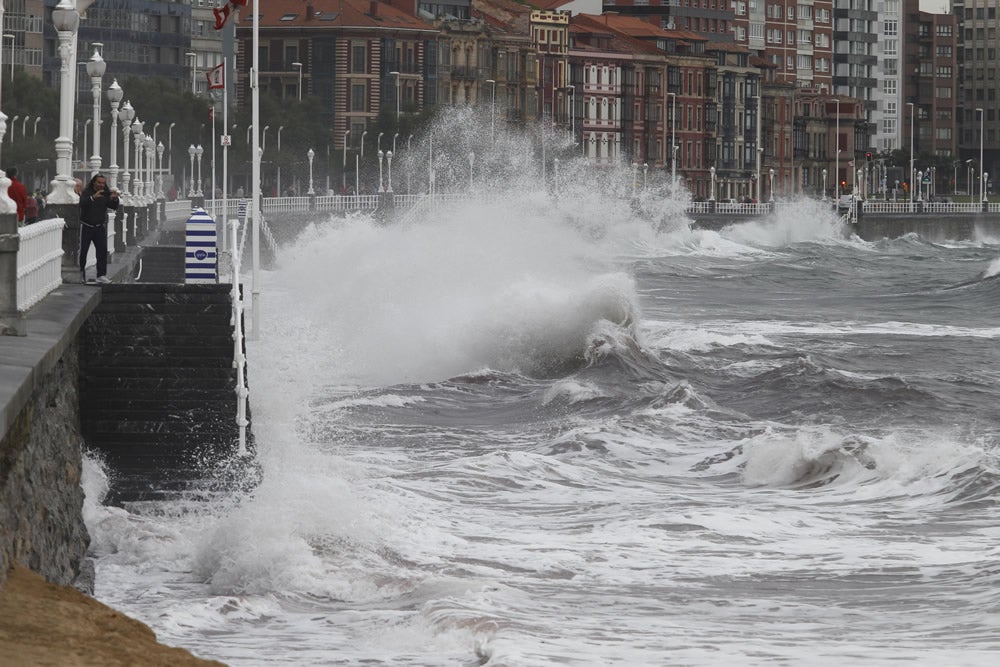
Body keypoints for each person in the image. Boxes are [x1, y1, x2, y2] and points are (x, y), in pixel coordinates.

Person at [79, 173, 120, 284]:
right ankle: (81, 275)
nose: (101, 185)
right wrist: (93, 197)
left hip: (99, 227)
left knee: (102, 252)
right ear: (94, 182)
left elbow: (113, 206)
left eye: (103, 183)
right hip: (87, 226)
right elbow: (82, 203)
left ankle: (101, 275)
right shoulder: (87, 192)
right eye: (99, 183)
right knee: (83, 252)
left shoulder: (105, 193)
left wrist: (115, 199)